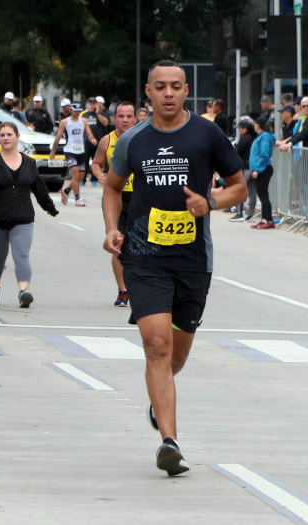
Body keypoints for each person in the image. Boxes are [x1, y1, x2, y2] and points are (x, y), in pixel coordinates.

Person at [103, 60, 247, 476]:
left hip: (193, 260)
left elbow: (239, 185)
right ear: (147, 92)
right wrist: (112, 227)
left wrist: (212, 202)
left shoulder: (207, 134)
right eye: (160, 87)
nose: (168, 93)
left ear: (187, 92)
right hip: (144, 257)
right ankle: (170, 441)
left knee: (176, 354)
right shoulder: (133, 140)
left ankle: (158, 394)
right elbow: (112, 188)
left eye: (176, 87)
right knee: (157, 346)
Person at [0, 122, 58, 308]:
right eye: (2, 135)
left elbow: (38, 188)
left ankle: (23, 291)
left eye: (9, 134)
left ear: (17, 137)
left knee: (21, 254)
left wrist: (49, 207)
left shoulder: (29, 163)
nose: (5, 138)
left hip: (22, 216)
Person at [91, 101, 137, 308]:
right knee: (118, 244)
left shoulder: (143, 138)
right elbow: (96, 162)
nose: (125, 120)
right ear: (115, 118)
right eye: (121, 116)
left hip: (141, 197)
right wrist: (100, 174)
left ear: (135, 118)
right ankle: (123, 290)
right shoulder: (107, 140)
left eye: (129, 116)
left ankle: (140, 288)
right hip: (117, 197)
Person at [50, 102, 97, 207]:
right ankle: (77, 198)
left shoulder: (83, 121)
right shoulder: (65, 122)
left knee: (80, 177)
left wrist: (92, 139)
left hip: (80, 150)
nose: (77, 113)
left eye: (79, 111)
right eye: (75, 111)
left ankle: (66, 190)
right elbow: (58, 137)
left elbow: (89, 132)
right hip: (69, 150)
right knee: (75, 174)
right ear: (71, 110)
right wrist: (53, 150)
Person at [249, 119, 276, 229]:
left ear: (258, 125)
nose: (254, 126)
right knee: (261, 193)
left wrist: (258, 169)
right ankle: (264, 218)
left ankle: (269, 219)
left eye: (255, 124)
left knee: (263, 194)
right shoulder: (262, 136)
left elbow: (264, 154)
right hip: (260, 168)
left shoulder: (265, 136)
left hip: (263, 169)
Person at [230, 120, 257, 222]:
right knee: (252, 190)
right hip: (252, 167)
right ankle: (251, 214)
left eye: (240, 128)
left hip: (245, 167)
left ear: (244, 128)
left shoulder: (244, 139)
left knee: (240, 190)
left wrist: (233, 148)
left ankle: (239, 212)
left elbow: (237, 151)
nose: (239, 131)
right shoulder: (253, 138)